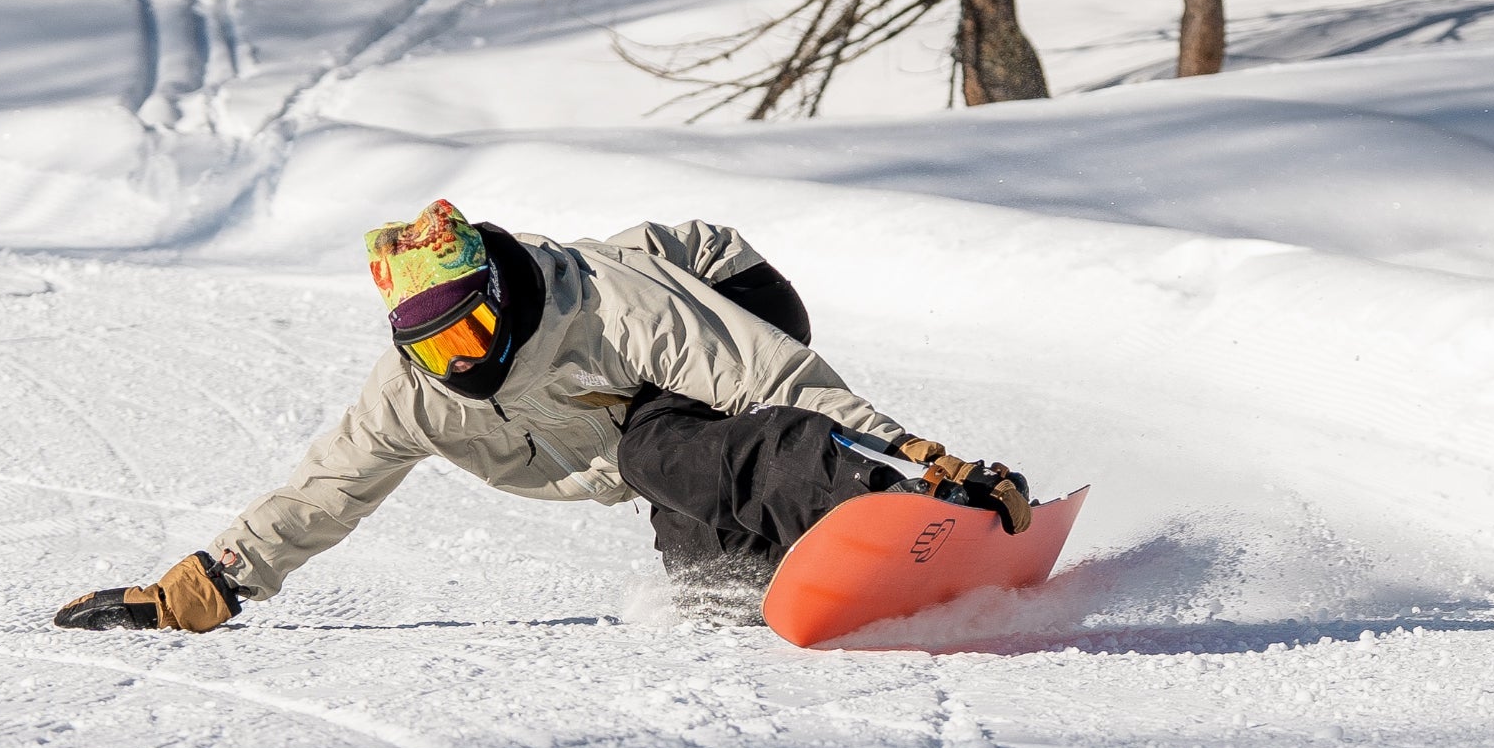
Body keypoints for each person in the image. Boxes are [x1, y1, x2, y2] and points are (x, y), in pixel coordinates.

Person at [53, 200, 1031, 632]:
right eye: (437, 347)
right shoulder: (412, 396)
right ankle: (791, 556)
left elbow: (773, 373)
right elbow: (324, 492)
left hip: (729, 297)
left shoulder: (602, 305)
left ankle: (868, 496)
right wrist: (204, 586)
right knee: (706, 571)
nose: (464, 356)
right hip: (640, 427)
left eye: (475, 326)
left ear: (498, 290)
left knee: (663, 449)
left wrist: (923, 466)